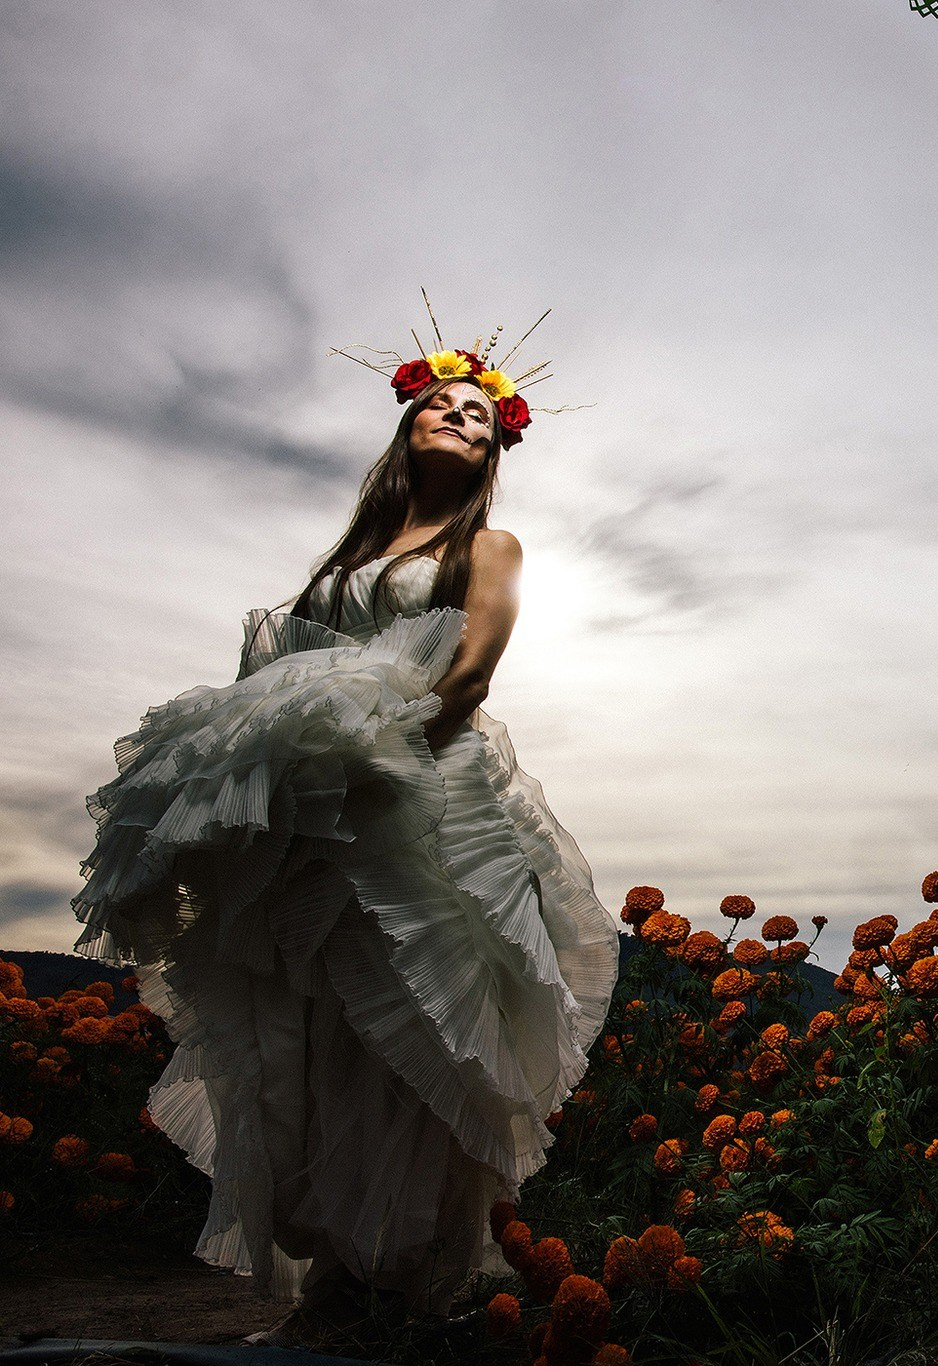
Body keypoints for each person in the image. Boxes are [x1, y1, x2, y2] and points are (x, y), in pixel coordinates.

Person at [72, 340, 618, 1342]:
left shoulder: (489, 548)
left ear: (496, 447)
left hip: (416, 790)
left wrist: (374, 770)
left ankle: (394, 1280)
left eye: (479, 412)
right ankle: (337, 1276)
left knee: (406, 1023)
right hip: (310, 809)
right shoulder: (344, 560)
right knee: (314, 1020)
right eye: (442, 402)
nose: (460, 414)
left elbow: (469, 675)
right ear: (408, 424)